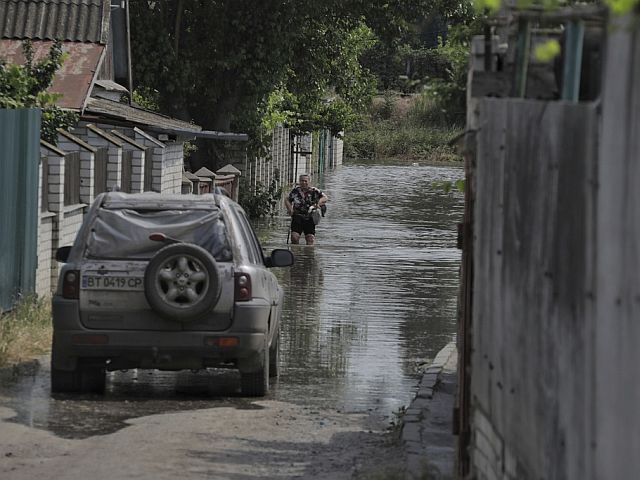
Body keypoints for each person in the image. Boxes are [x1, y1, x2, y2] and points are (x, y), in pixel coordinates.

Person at [285, 173, 328, 245]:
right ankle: (295, 253)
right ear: (299, 181)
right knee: (294, 237)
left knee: (310, 239)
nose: (303, 183)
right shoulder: (295, 191)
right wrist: (290, 209)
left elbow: (325, 198)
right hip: (297, 216)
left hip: (310, 217)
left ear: (309, 181)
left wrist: (318, 203)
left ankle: (309, 254)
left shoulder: (314, 191)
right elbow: (287, 199)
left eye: (305, 181)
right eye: (302, 181)